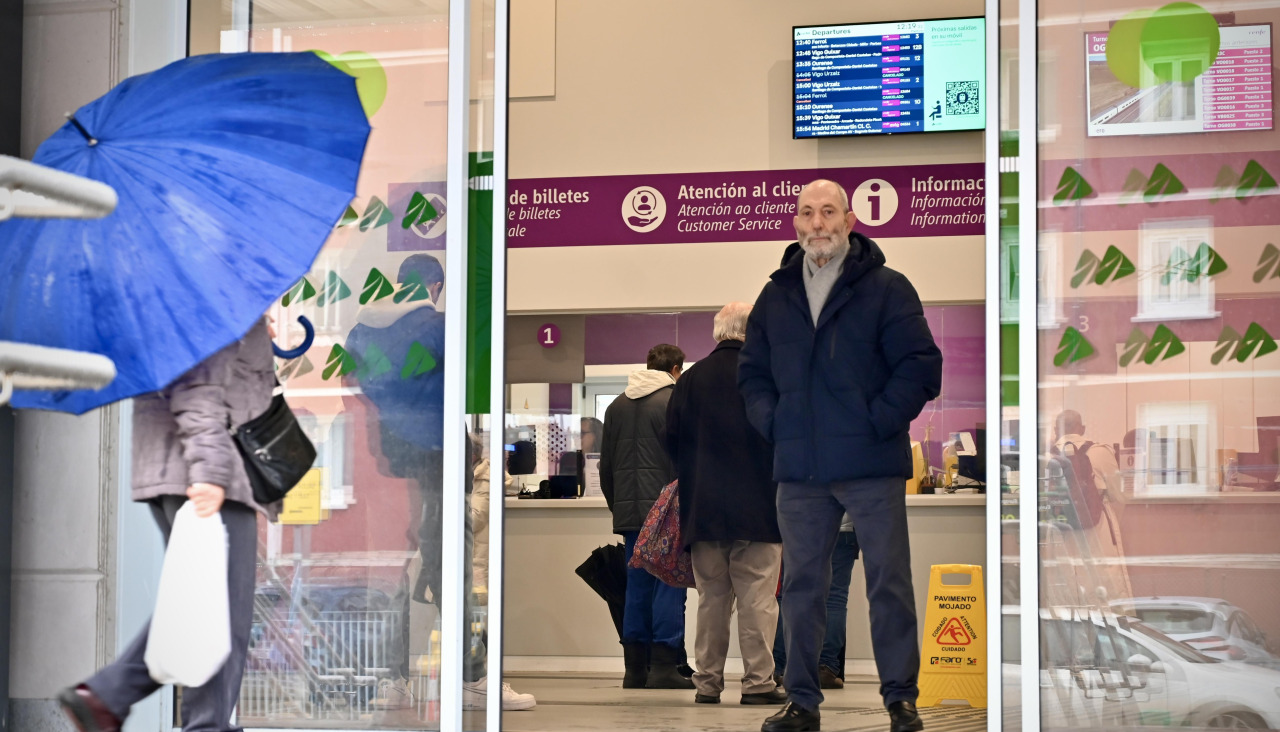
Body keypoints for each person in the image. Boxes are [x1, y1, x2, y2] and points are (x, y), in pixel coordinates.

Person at [739, 179, 942, 732]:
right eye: (807, 212)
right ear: (796, 223)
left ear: (849, 221)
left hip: (871, 463)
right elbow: (752, 375)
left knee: (888, 583)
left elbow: (921, 367)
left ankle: (901, 699)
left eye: (829, 211)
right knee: (800, 588)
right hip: (800, 470)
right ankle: (801, 702)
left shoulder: (887, 288)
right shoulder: (775, 296)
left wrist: (876, 421)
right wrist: (775, 424)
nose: (818, 222)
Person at [58, 319, 278, 732]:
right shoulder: (215, 293)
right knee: (219, 616)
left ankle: (109, 696)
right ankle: (121, 698)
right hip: (207, 474)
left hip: (184, 469)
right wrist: (210, 472)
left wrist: (254, 344)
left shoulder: (203, 299)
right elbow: (198, 388)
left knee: (202, 608)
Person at [346, 253, 534, 712]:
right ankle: (472, 678)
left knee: (396, 570)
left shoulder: (360, 330)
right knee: (454, 568)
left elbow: (363, 388)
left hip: (385, 464)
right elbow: (465, 385)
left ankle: (394, 679)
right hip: (437, 460)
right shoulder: (439, 327)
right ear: (434, 286)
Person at [665, 303, 786, 706]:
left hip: (704, 510)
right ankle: (757, 684)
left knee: (711, 600)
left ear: (720, 333)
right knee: (757, 600)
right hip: (760, 509)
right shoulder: (769, 376)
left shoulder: (689, 380)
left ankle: (708, 684)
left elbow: (671, 441)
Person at [599, 343, 693, 690]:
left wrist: (619, 506)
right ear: (676, 370)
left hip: (630, 514)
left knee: (636, 586)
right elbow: (684, 461)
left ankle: (634, 669)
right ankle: (666, 666)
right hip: (667, 511)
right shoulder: (674, 401)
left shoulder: (615, 406)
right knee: (669, 584)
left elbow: (606, 467)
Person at [1051, 409, 1132, 603]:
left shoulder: (1043, 455)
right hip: (1097, 526)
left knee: (1065, 581)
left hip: (1058, 528)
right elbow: (1119, 495)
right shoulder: (1100, 452)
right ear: (1083, 428)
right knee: (1104, 580)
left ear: (1055, 430)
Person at [773, 519, 860, 690]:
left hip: (797, 526)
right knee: (835, 598)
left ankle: (777, 666)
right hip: (842, 528)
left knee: (788, 594)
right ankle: (826, 668)